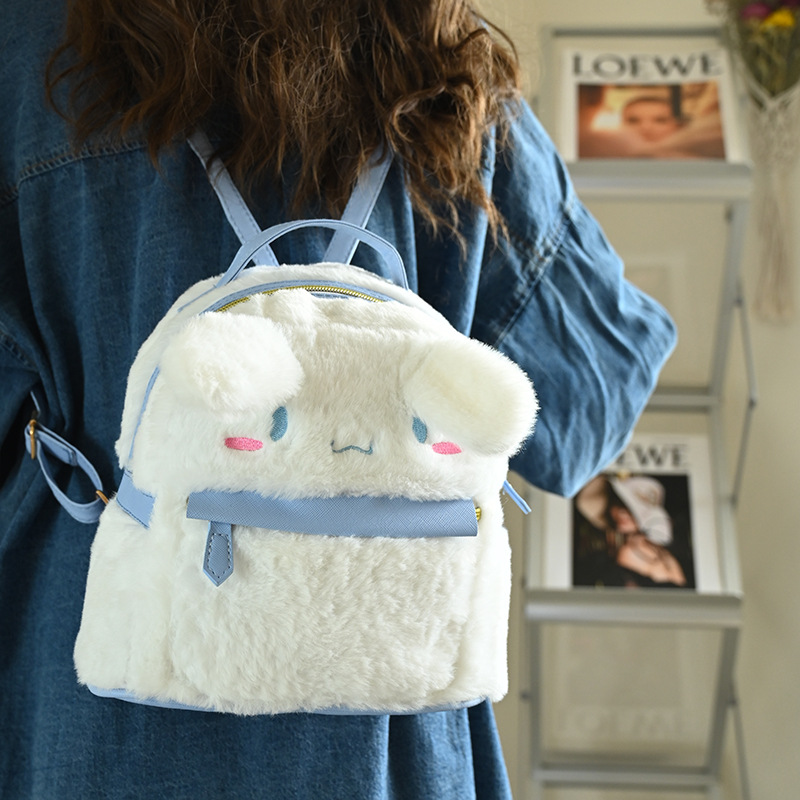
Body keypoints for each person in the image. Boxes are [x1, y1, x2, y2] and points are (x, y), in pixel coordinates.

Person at [0, 1, 676, 797]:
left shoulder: (29, 50)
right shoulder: (441, 64)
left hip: (94, 715)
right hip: (386, 736)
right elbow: (596, 398)